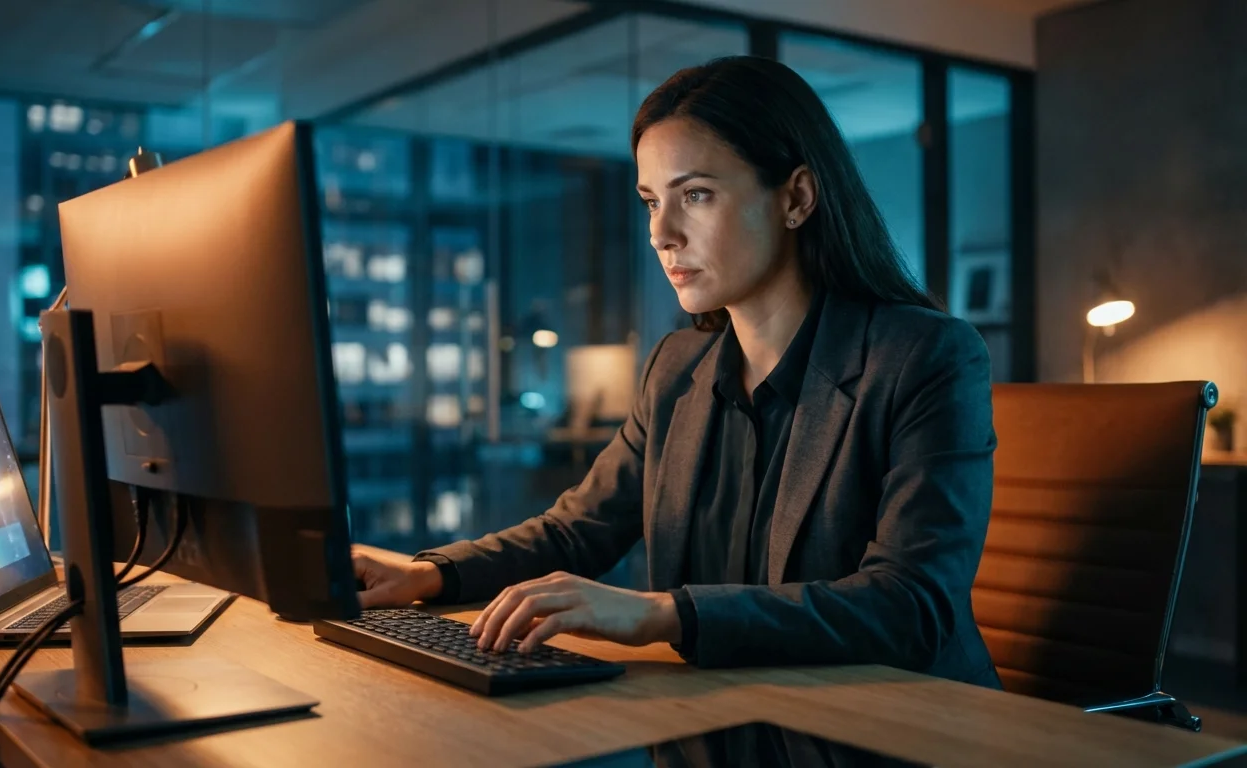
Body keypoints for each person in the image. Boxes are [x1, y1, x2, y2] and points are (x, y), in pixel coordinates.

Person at [351, 55, 1001, 688]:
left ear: (796, 197)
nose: (662, 232)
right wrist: (427, 576)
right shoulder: (676, 369)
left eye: (695, 194)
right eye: (649, 201)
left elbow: (911, 605)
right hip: (716, 729)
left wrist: (661, 615)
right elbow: (579, 532)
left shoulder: (925, 357)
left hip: (888, 733)